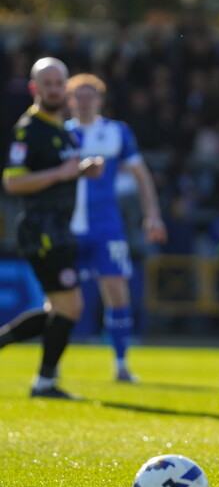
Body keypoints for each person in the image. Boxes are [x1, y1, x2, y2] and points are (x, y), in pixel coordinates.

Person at [0, 57, 104, 399]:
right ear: (35, 88)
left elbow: (62, 170)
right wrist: (61, 174)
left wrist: (82, 169)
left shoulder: (60, 128)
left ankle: (42, 378)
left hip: (57, 226)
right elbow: (13, 183)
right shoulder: (30, 129)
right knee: (70, 307)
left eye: (60, 83)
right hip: (42, 228)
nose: (56, 89)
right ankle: (44, 382)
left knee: (57, 309)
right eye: (49, 84)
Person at [64, 73, 167, 383]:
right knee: (60, 299)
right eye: (78, 97)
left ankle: (121, 363)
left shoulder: (115, 132)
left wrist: (153, 214)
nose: (83, 102)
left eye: (89, 96)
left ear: (100, 100)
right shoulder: (59, 133)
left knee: (117, 292)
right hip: (66, 226)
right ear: (70, 101)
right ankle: (51, 366)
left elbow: (141, 174)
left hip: (106, 225)